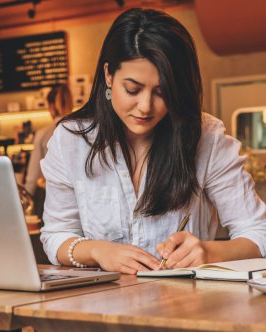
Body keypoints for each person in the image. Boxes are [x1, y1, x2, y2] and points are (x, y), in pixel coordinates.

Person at [40, 8, 266, 274]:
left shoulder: (206, 137)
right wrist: (98, 250)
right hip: (100, 305)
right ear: (109, 75)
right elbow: (56, 235)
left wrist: (208, 251)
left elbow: (258, 232)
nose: (145, 107)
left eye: (162, 92)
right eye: (132, 89)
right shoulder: (71, 140)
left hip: (187, 307)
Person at [25, 84, 73, 196]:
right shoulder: (83, 130)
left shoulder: (43, 134)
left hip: (53, 196)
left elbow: (33, 176)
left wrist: (27, 196)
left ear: (51, 106)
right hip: (79, 197)